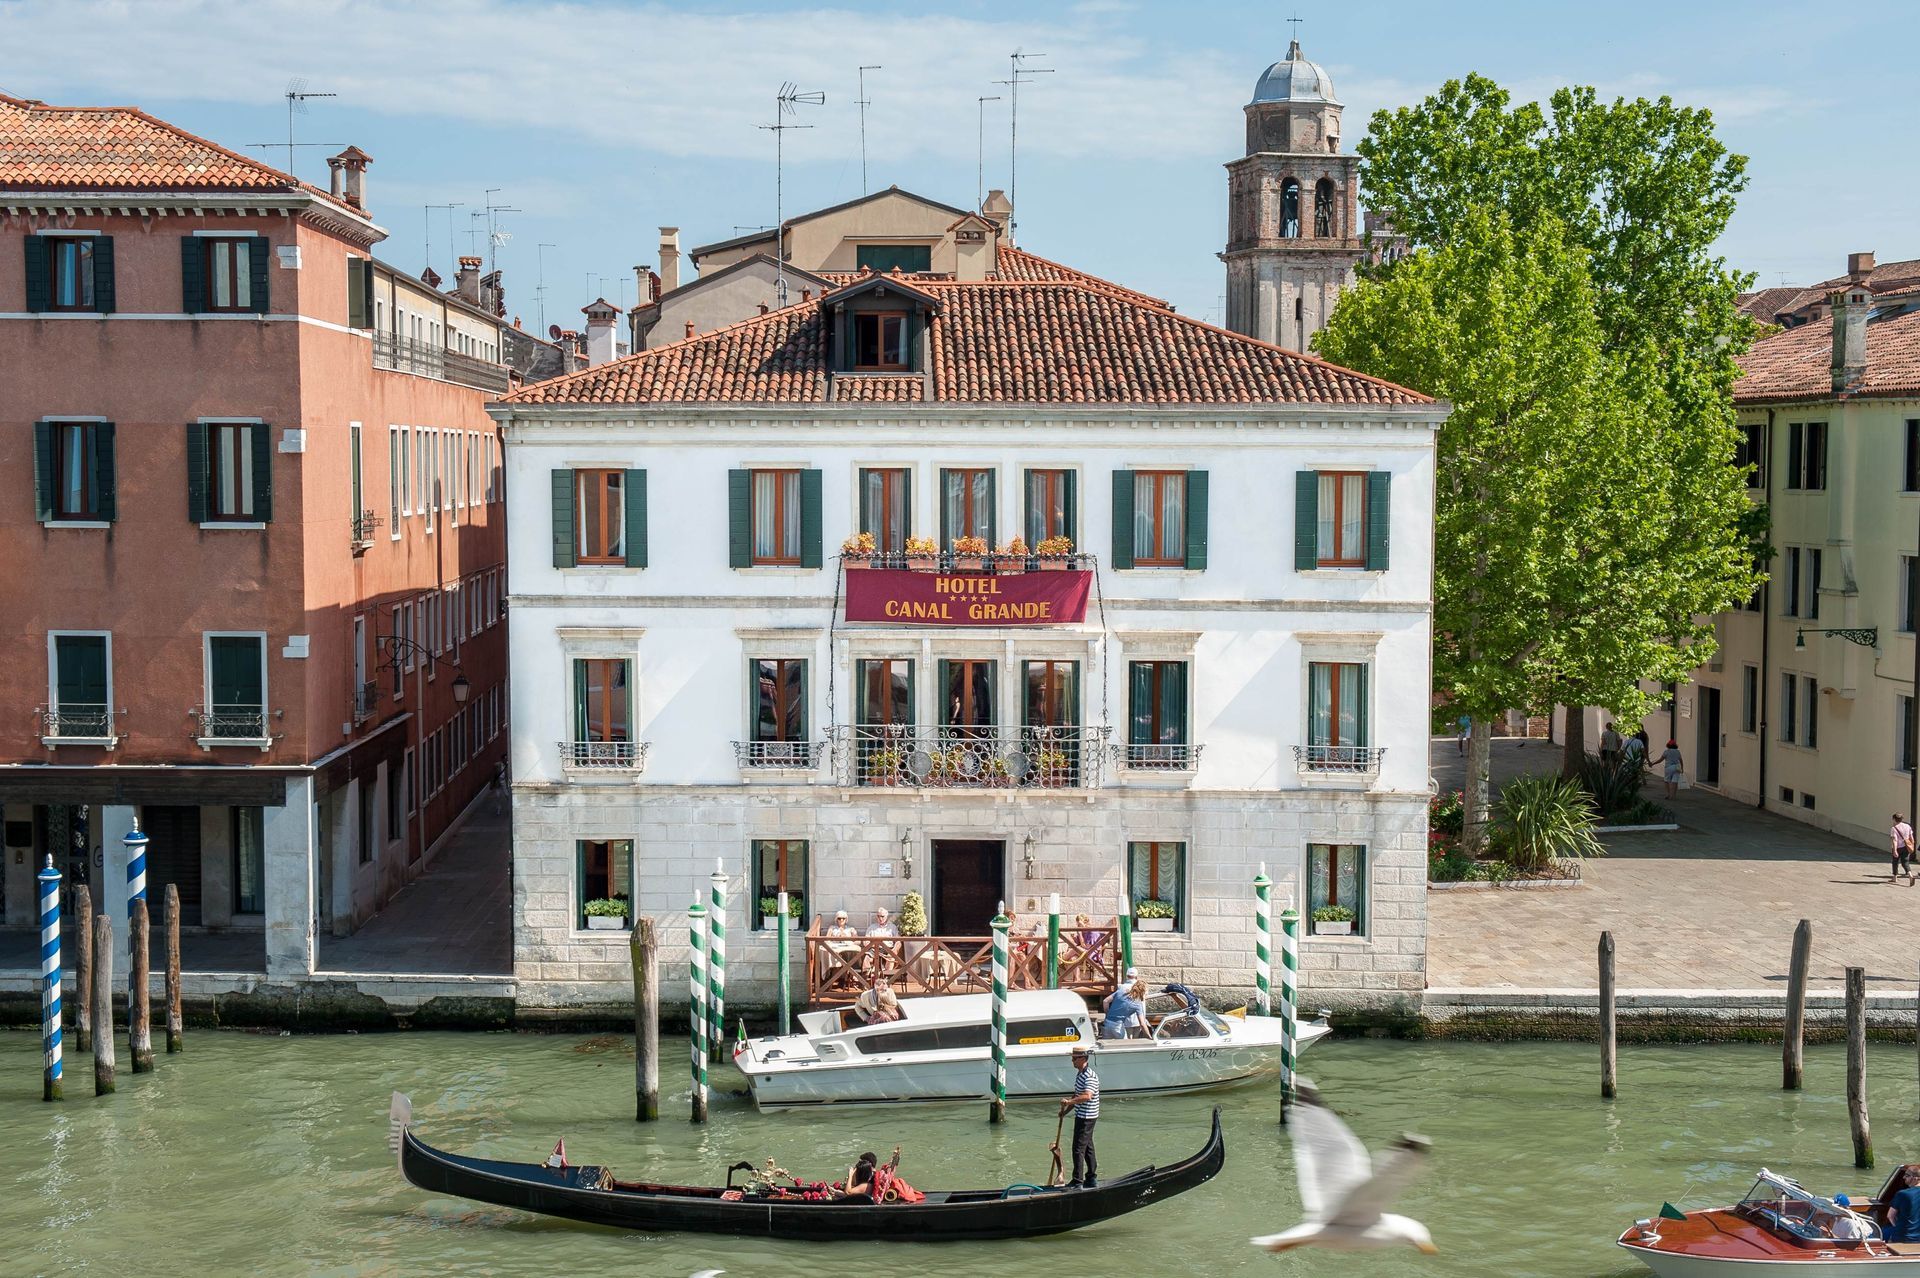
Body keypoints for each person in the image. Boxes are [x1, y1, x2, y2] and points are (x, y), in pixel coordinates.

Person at [1060, 1046, 1100, 1189]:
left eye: (1074, 1058)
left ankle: (1077, 1181)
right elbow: (1077, 1094)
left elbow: (1087, 1096)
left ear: (1083, 1058)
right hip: (1083, 1115)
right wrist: (1066, 1111)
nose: (1072, 1061)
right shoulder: (1081, 1074)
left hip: (1087, 1117)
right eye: (1072, 1058)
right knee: (1088, 1147)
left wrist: (1068, 1102)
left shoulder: (1089, 1076)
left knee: (1078, 1148)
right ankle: (1091, 1178)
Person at [1886, 1169, 1920, 1242]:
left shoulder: (1902, 1194)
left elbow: (1890, 1216)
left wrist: (1897, 1228)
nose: (1903, 1177)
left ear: (1916, 1178)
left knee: (1883, 1231)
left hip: (1904, 1237)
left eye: (1907, 1175)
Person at [1892, 815, 1916, 884]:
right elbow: (1911, 837)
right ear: (1902, 819)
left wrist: (1895, 850)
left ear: (1894, 819)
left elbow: (1895, 840)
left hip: (1898, 847)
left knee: (1895, 862)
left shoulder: (1894, 828)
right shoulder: (1907, 826)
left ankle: (1895, 877)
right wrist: (1912, 846)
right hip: (1906, 847)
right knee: (1905, 862)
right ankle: (1910, 875)